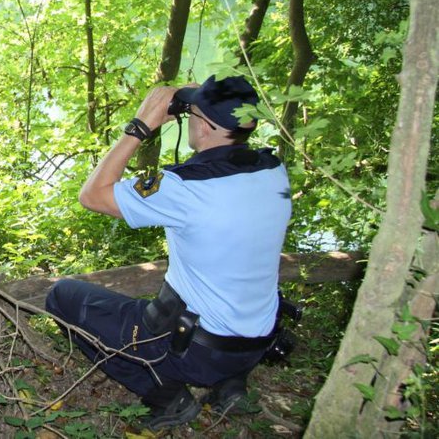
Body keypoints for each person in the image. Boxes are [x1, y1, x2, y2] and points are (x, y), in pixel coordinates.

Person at [45, 75, 292, 430]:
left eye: (193, 114)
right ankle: (230, 386)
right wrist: (200, 100)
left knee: (63, 295)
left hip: (199, 353)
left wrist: (140, 126)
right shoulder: (272, 170)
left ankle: (167, 397)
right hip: (257, 343)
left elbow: (92, 195)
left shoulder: (184, 188)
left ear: (204, 127)